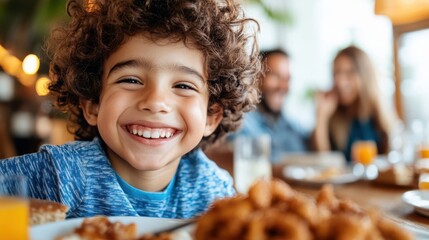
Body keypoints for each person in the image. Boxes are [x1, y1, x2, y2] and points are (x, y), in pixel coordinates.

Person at [0, 0, 261, 219]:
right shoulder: (61, 174)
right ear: (93, 104)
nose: (155, 101)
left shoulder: (215, 192)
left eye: (183, 85)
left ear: (210, 116)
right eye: (131, 80)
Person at [222, 49, 310, 163]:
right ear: (255, 77)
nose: (283, 86)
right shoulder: (240, 123)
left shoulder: (293, 126)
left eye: (287, 79)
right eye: (275, 76)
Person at [312, 45, 395, 162]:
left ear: (365, 76)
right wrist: (321, 119)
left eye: (349, 73)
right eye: (336, 73)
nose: (340, 82)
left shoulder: (380, 119)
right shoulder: (333, 118)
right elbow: (326, 168)